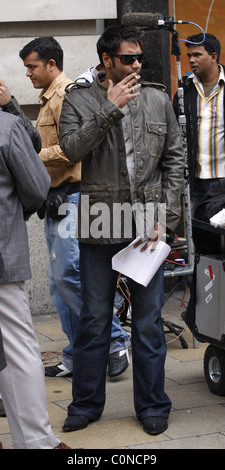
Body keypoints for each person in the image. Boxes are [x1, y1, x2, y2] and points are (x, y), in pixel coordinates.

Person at [59, 24, 184, 435]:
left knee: (148, 322)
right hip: (99, 223)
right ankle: (85, 404)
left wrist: (165, 219)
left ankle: (152, 405)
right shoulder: (78, 99)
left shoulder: (156, 98)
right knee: (94, 319)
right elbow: (71, 151)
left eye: (139, 58)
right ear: (106, 60)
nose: (136, 64)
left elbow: (174, 162)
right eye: (127, 58)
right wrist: (108, 108)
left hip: (147, 226)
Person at [19, 36, 130, 379]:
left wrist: (31, 158)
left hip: (74, 197)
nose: (28, 74)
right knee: (58, 284)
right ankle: (77, 354)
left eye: (32, 66)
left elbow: (72, 149)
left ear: (52, 64)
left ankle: (114, 340)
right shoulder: (47, 97)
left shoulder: (67, 94)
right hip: (57, 200)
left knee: (70, 277)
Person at [0, 109, 69, 448]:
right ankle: (37, 443)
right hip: (1, 258)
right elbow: (38, 186)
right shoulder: (7, 127)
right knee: (17, 348)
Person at [173, 33, 225, 214]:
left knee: (219, 233)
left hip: (222, 178)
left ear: (213, 56)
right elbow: (176, 135)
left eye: (197, 55)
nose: (192, 60)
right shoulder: (184, 90)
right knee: (196, 232)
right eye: (189, 56)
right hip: (194, 179)